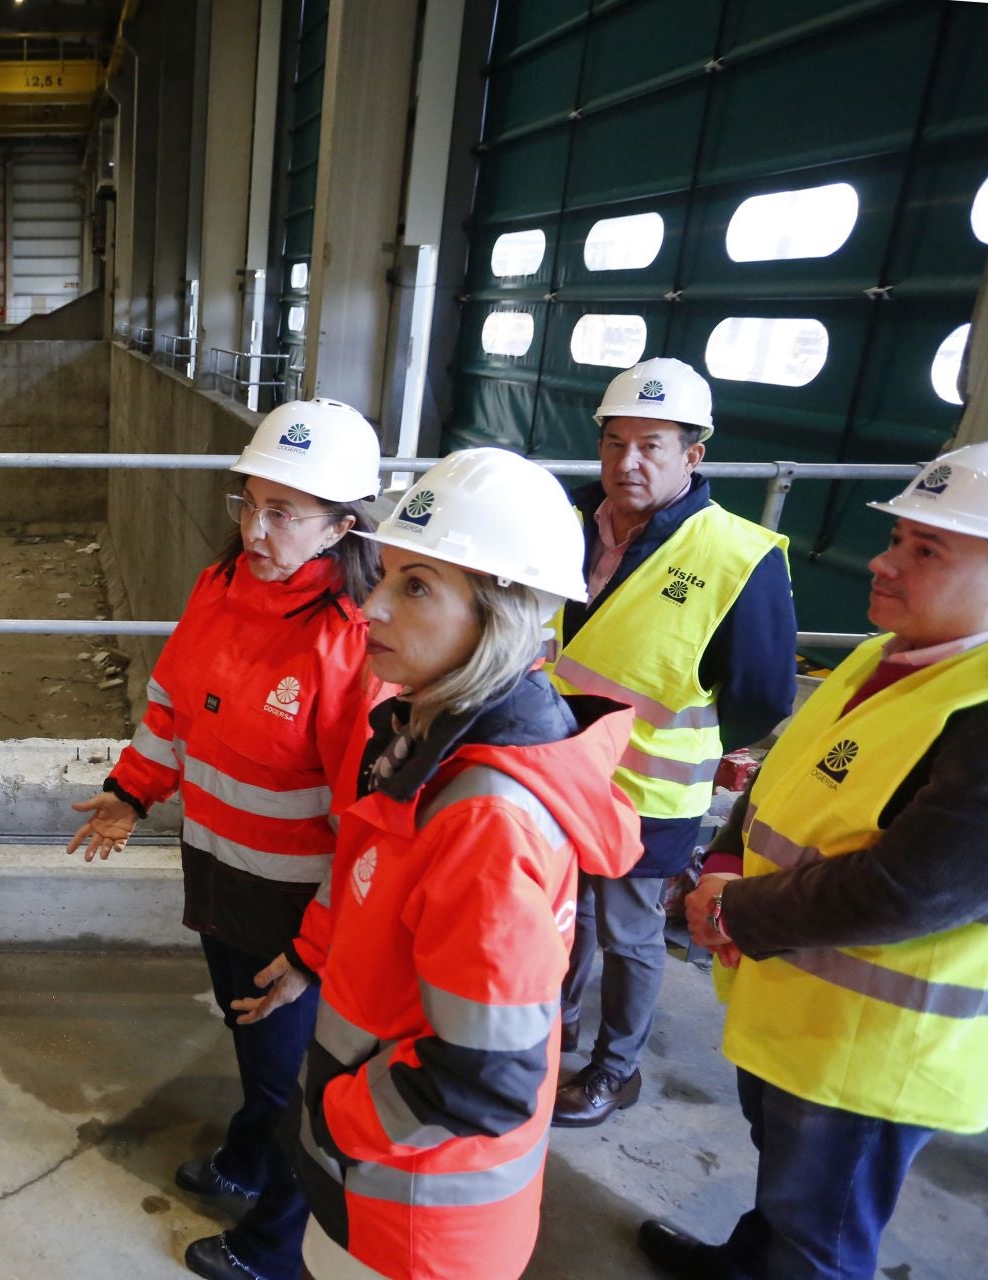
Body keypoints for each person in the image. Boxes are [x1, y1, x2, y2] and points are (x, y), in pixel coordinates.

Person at [237, 447, 644, 1279]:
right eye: (385, 576)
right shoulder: (427, 748)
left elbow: (481, 1079)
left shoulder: (486, 820)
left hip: (414, 1216)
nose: (369, 608)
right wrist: (313, 963)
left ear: (500, 615)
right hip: (383, 1184)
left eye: (416, 587)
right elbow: (374, 901)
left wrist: (336, 1111)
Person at [642, 438, 988, 1280]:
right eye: (898, 539)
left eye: (927, 551)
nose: (883, 564)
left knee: (823, 1236)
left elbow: (907, 889)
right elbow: (784, 774)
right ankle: (749, 1261)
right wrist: (727, 864)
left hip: (872, 1051)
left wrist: (735, 911)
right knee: (788, 1191)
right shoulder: (887, 654)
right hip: (798, 1013)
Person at [67, 399, 389, 1280]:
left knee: (297, 1085)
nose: (255, 527)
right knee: (256, 1052)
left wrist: (316, 952)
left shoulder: (353, 642)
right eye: (248, 502)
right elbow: (173, 705)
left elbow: (368, 824)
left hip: (297, 912)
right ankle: (249, 1160)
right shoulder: (220, 588)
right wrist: (130, 793)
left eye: (284, 513)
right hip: (219, 880)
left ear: (342, 526)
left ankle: (274, 1247)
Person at [549, 357, 797, 1127]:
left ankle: (613, 1071)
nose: (628, 462)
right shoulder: (565, 521)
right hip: (555, 772)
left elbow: (760, 697)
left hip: (645, 792)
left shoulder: (735, 557)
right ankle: (549, 1042)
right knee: (563, 917)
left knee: (626, 934)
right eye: (615, 442)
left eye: (652, 446)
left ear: (694, 455)